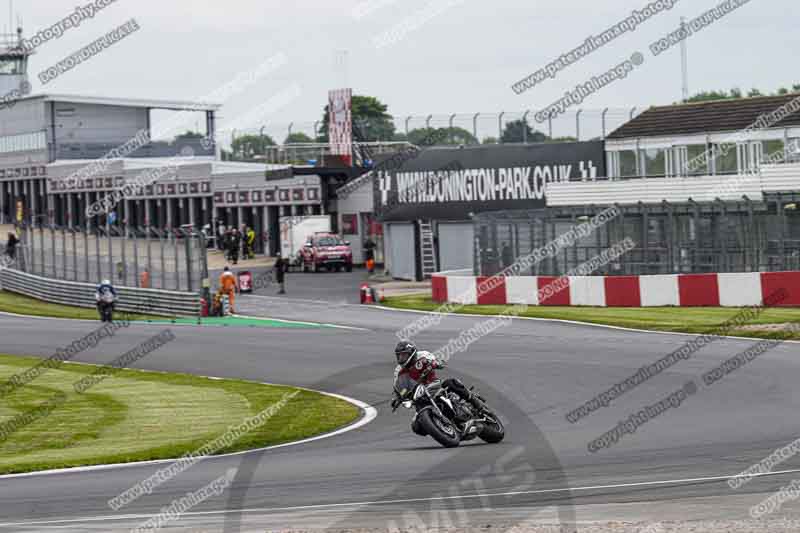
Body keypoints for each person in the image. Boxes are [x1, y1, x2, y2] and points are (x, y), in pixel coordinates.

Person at [390, 341, 485, 430]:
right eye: (399, 356)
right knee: (416, 426)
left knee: (450, 383)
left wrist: (436, 363)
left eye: (403, 355)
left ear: (411, 353)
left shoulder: (422, 355)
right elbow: (397, 385)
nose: (401, 358)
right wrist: (397, 397)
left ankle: (476, 403)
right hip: (418, 396)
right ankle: (441, 428)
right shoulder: (398, 371)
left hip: (434, 385)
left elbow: (437, 360)